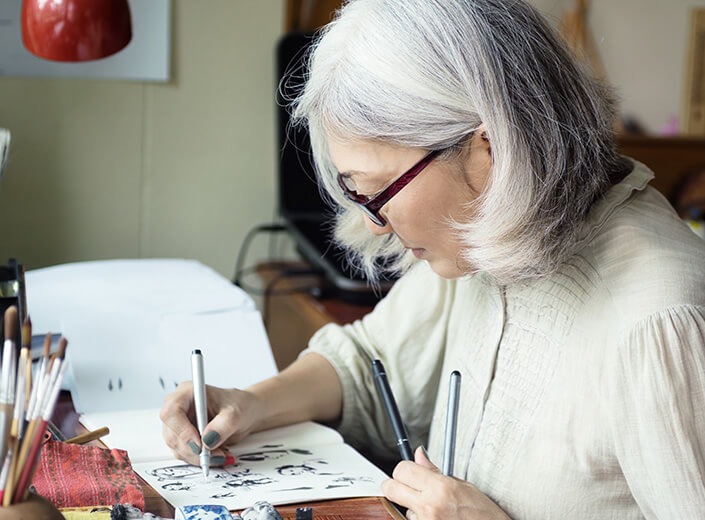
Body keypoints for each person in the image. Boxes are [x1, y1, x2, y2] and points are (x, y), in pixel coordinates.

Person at [160, 0, 705, 518]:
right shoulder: (488, 235)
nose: (375, 222)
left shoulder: (660, 322)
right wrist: (249, 403)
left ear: (489, 150)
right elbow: (371, 362)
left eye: (379, 190)